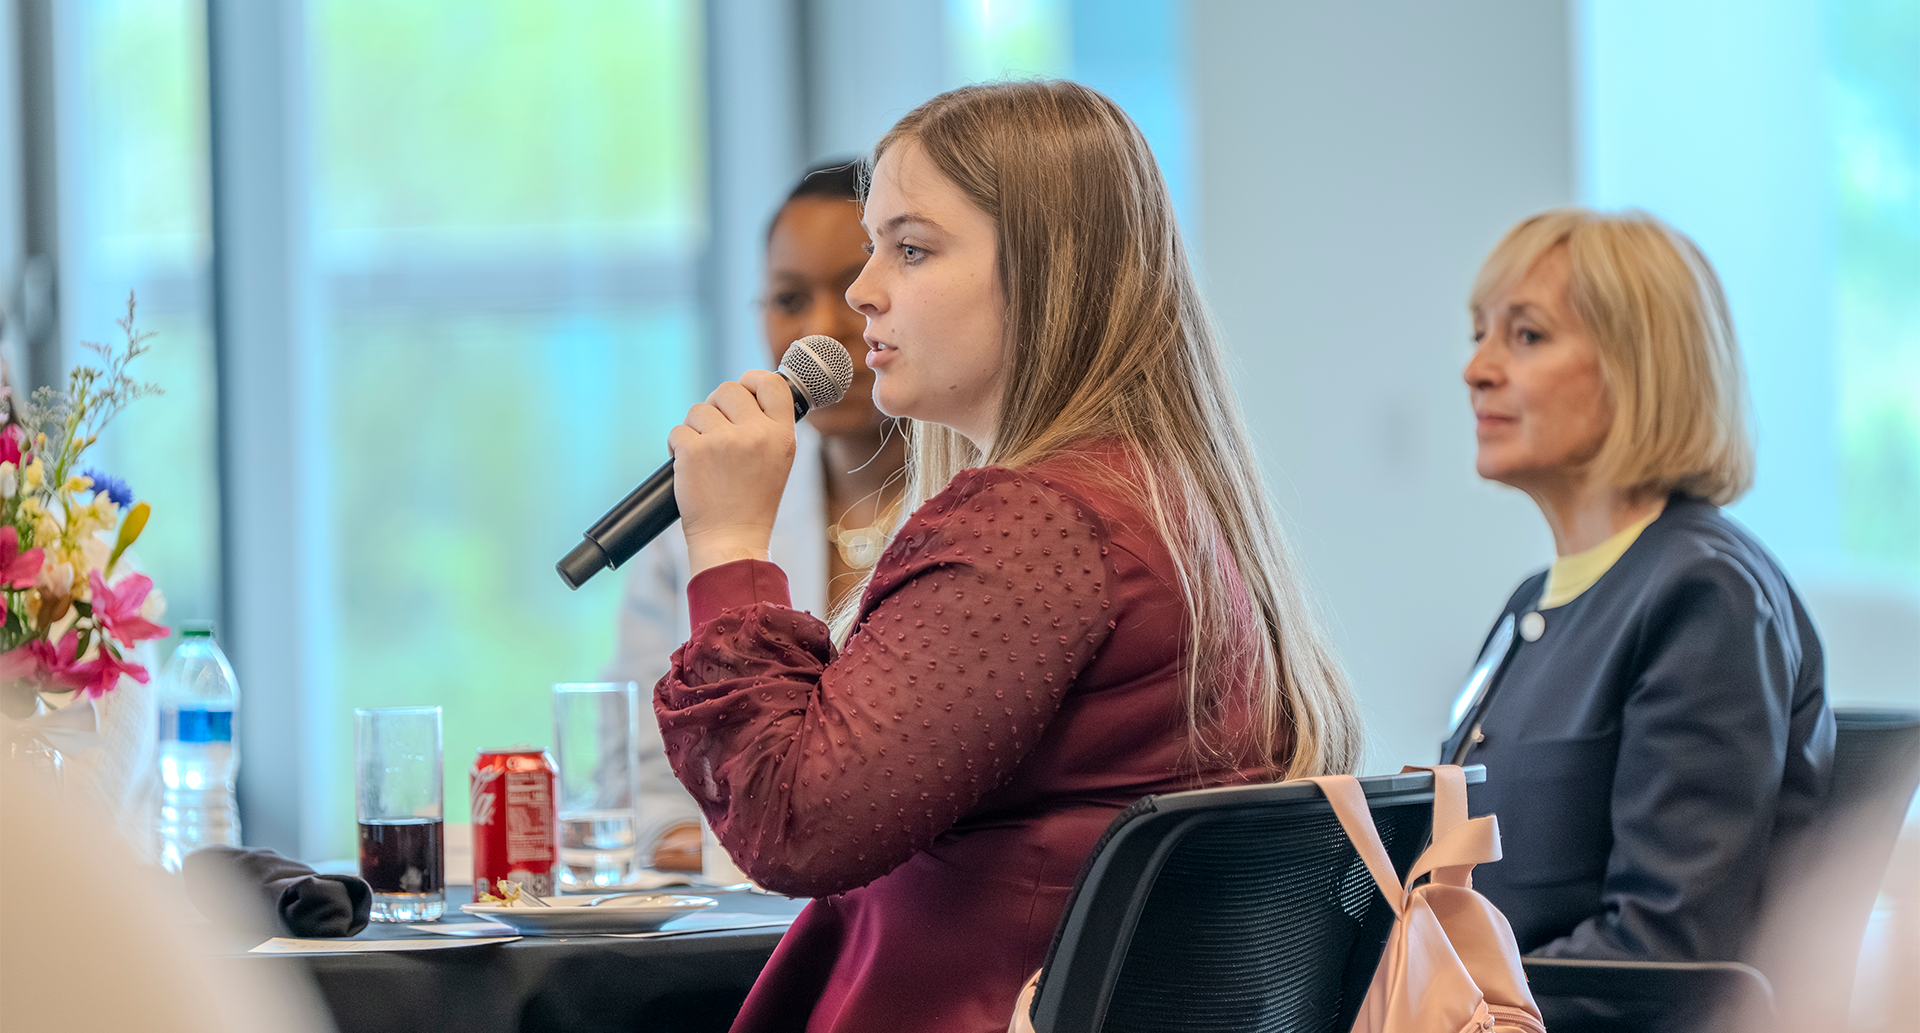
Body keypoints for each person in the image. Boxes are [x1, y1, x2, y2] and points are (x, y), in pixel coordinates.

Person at [654, 80, 1363, 1032]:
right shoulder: (1147, 497)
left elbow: (793, 824)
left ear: (1044, 273)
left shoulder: (1035, 525)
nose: (861, 292)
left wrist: (730, 546)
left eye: (910, 249)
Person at [1447, 208, 1833, 1027]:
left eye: (1526, 336)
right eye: (1480, 335)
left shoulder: (1705, 595)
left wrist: (1448, 1012)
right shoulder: (1532, 603)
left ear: (1638, 367)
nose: (1476, 369)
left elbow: (1662, 953)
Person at [607, 162, 908, 872]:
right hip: (734, 912)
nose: (821, 331)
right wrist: (728, 858)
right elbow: (637, 781)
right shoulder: (707, 502)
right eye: (789, 299)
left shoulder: (984, 514)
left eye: (853, 290)